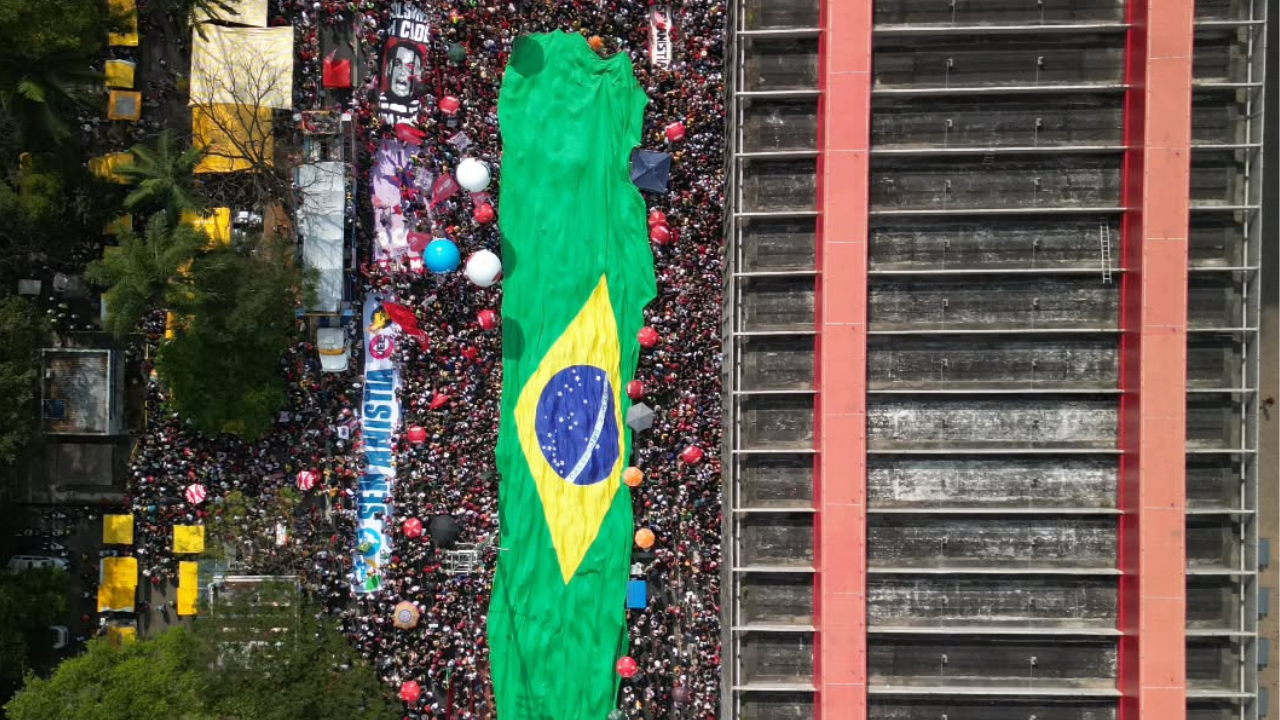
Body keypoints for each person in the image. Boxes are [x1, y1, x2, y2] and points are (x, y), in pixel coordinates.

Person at [380, 39, 423, 125]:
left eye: (410, 66)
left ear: (418, 74)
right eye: (398, 64)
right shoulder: (377, 102)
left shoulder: (421, 110)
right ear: (388, 69)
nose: (403, 72)